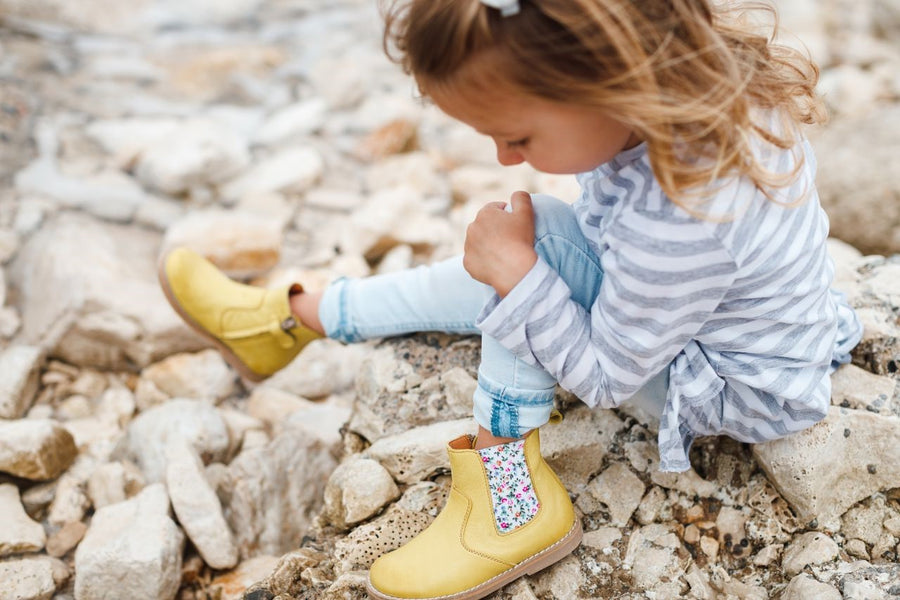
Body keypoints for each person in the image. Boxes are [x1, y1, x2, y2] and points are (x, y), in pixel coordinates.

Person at [159, 0, 863, 598]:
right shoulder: (695, 98)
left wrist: (520, 277)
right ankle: (295, 317)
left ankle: (509, 502)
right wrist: (516, 266)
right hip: (725, 335)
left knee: (530, 262)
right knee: (526, 247)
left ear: (612, 79)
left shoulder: (688, 218)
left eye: (517, 136)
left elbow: (604, 377)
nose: (504, 156)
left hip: (725, 388)